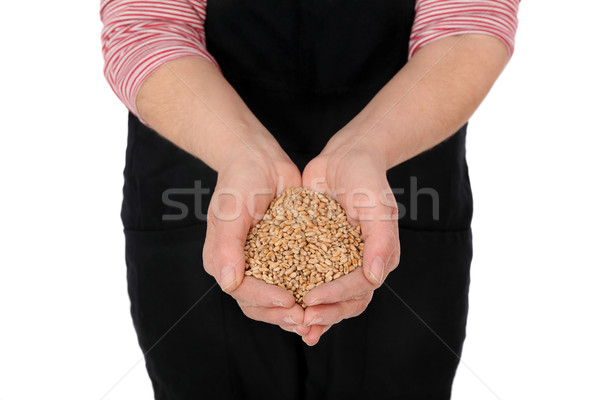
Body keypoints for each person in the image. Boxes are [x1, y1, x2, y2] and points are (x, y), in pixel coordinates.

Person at [101, 1, 519, 398]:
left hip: (398, 158)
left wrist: (366, 148)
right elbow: (147, 24)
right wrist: (240, 152)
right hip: (203, 154)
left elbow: (468, 24)